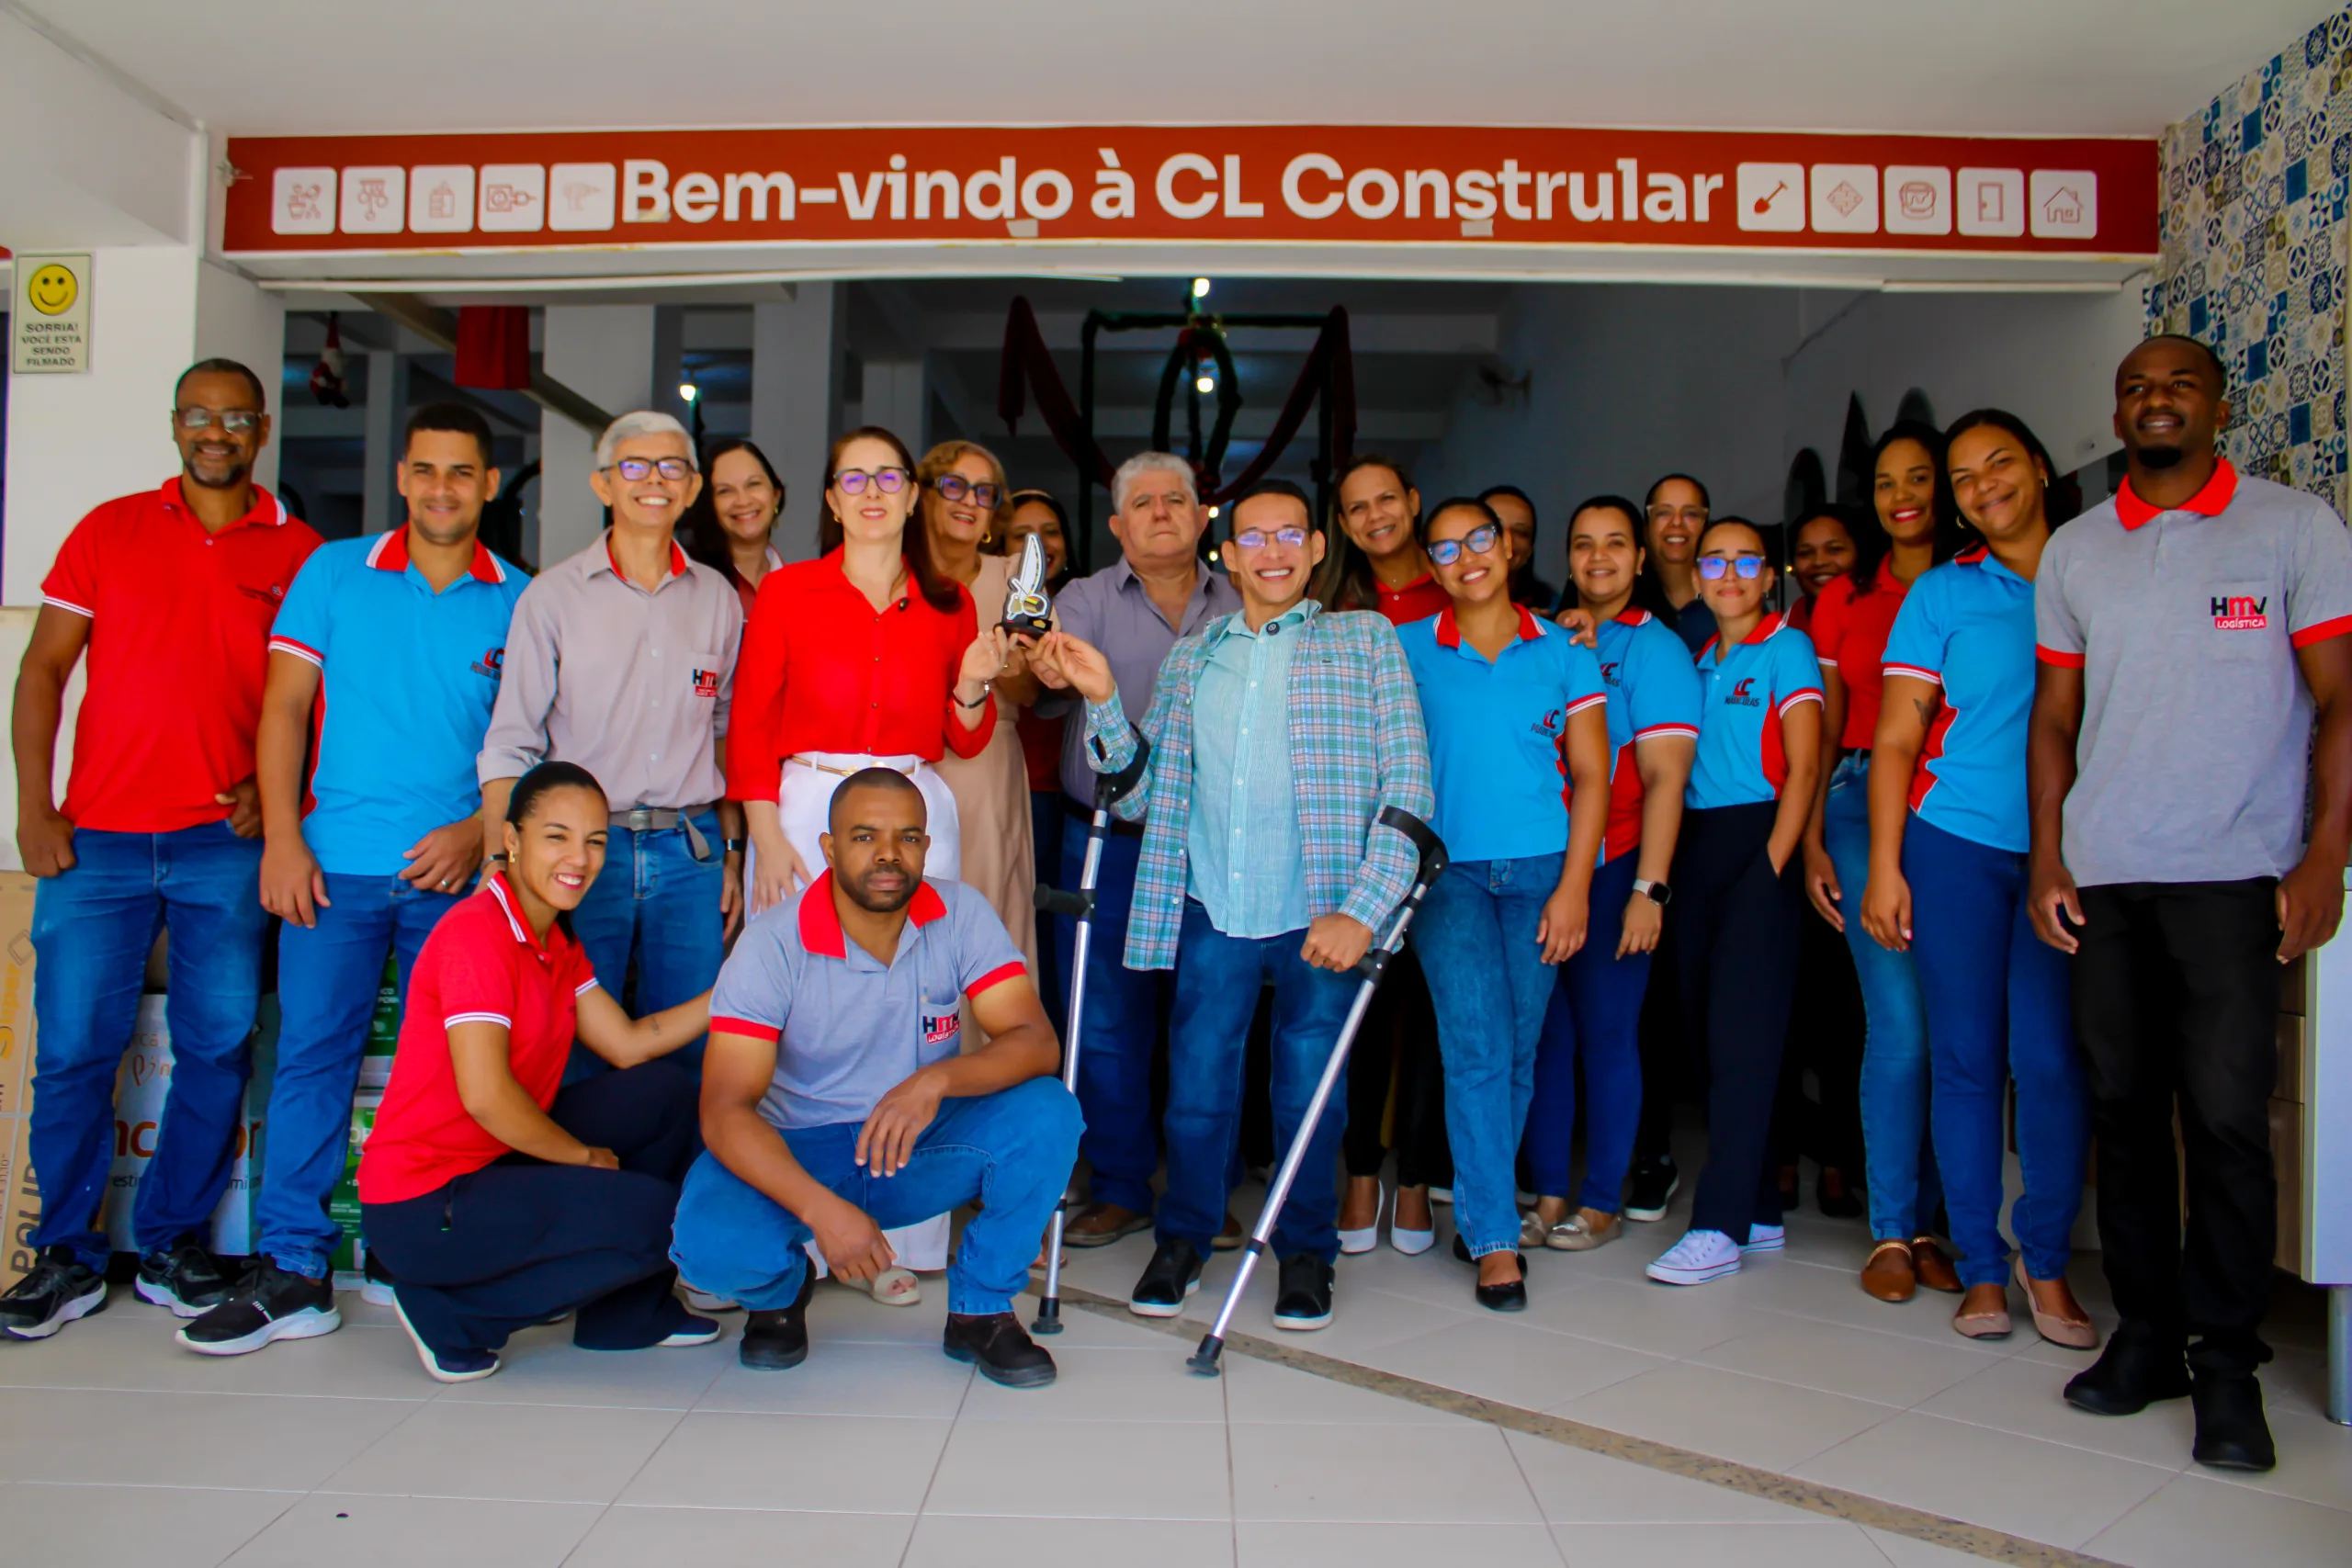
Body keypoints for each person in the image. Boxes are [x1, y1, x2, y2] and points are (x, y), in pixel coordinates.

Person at [2030, 335, 2352, 1472]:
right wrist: (2048, 857)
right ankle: (2147, 1338)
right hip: (2105, 876)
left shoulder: (2292, 528)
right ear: (2116, 412)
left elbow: (2340, 699)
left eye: (2177, 385)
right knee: (2123, 1115)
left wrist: (2322, 858)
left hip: (2233, 873)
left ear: (2218, 405)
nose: (2154, 400)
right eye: (2134, 387)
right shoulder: (2074, 549)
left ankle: (2227, 1366)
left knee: (2222, 1120)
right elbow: (2055, 717)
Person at [1033, 479, 1434, 1334]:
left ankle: (1306, 1252)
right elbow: (1140, 795)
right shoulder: (1195, 655)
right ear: (1229, 554)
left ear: (1317, 549)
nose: (1274, 551)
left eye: (1291, 534)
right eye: (1255, 537)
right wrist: (1101, 695)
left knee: (1309, 1095)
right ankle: (1182, 1238)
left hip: (1322, 911)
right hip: (1213, 905)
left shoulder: (1365, 641)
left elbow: (1409, 787)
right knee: (1198, 1091)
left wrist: (1364, 910)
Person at [177, 404, 528, 1356]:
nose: (443, 489)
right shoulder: (333, 571)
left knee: (450, 1070)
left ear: (489, 484)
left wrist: (476, 832)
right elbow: (284, 710)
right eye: (426, 470)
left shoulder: (520, 600)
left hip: (455, 880)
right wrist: (282, 841)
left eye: (462, 472)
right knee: (311, 1059)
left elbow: (530, 745)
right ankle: (294, 1267)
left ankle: (412, 1252)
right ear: (402, 478)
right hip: (331, 870)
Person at [0, 359, 322, 1342]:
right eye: (198, 416)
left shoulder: (301, 551)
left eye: (235, 418)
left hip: (221, 845)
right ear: (176, 425)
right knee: (72, 1051)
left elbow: (316, 700)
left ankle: (171, 1241)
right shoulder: (109, 529)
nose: (215, 433)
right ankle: (65, 1255)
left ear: (262, 429)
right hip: (94, 840)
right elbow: (43, 669)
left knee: (216, 1048)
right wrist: (34, 807)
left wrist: (276, 796)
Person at [669, 768, 1079, 1387]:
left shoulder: (960, 912)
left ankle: (981, 1310)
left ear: (926, 846)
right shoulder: (771, 943)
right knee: (708, 1245)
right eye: (865, 837)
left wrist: (933, 1082)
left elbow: (1035, 1041)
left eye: (907, 837)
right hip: (800, 1150)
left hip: (914, 1143)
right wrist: (822, 1212)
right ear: (830, 847)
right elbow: (725, 1110)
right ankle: (780, 1295)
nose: (889, 854)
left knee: (1048, 1112)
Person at [726, 425, 1005, 1300]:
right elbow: (750, 719)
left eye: (890, 477)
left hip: (917, 800)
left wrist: (974, 682)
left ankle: (901, 1238)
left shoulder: (948, 601)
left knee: (918, 1006)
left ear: (913, 495)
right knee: (800, 1005)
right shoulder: (790, 590)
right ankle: (804, 1230)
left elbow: (966, 736)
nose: (874, 492)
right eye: (855, 479)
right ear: (831, 499)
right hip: (807, 804)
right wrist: (766, 833)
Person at [357, 763, 718, 1383]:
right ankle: (452, 1313)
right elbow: (486, 1097)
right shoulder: (478, 934)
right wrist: (581, 1158)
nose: (579, 858)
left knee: (661, 1094)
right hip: (426, 1202)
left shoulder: (553, 938)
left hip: (492, 1162)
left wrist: (736, 994)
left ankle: (625, 1315)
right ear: (513, 839)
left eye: (595, 840)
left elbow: (629, 1044)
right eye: (557, 836)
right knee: (667, 1219)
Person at [1866, 409, 2092, 1348]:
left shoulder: (2097, 566)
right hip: (1953, 842)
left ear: (2039, 466)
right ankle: (1982, 1267)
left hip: (2073, 853)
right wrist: (1885, 864)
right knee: (1964, 1060)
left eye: (1997, 463)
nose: (1982, 485)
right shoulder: (1943, 594)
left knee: (2048, 1060)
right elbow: (1895, 738)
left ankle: (2047, 1261)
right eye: (1962, 477)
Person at [479, 412, 745, 1085]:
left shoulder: (717, 599)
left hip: (690, 852)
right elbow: (511, 741)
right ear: (604, 484)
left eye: (672, 468)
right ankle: (576, 1155)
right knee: (566, 1036)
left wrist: (735, 851)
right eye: (634, 466)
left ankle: (678, 1160)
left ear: (691, 489)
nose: (654, 480)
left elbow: (725, 734)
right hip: (581, 851)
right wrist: (500, 861)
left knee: (693, 1044)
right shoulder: (552, 597)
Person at [1398, 499, 1610, 1308]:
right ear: (1432, 564)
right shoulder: (1406, 646)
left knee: (1518, 1048)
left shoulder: (1563, 649)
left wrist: (1576, 887)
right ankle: (1494, 1237)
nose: (1467, 557)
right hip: (1444, 871)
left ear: (1509, 545)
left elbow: (1591, 774)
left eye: (1479, 538)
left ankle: (1480, 1206)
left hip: (1542, 871)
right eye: (1447, 548)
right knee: (1478, 1047)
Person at [1039, 455, 1241, 1249]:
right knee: (1105, 1021)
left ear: (1201, 517)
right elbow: (1049, 681)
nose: (1161, 512)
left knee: (1209, 1022)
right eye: (1143, 503)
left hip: (1215, 844)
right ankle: (1121, 1186)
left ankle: (1201, 1192)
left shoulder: (1243, 598)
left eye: (1176, 499)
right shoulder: (1083, 599)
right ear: (1118, 526)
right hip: (1107, 841)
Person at [1799, 424, 1968, 1300]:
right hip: (1862, 799)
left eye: (1919, 477)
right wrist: (1815, 836)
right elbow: (1827, 724)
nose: (1902, 496)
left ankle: (1941, 1224)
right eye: (1886, 482)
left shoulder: (1982, 581)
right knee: (1900, 1020)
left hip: (1963, 805)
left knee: (1955, 1025)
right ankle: (1894, 1230)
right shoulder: (1846, 597)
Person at [1645, 519, 1822, 1286]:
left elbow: (1806, 766)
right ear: (1697, 576)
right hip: (1696, 850)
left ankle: (1716, 1225)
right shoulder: (1695, 662)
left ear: (1768, 574)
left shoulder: (1788, 648)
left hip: (1759, 844)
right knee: (1708, 1037)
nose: (1728, 573)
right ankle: (1758, 1209)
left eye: (1745, 560)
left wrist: (1773, 864)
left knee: (1744, 1038)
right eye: (1714, 561)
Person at [1524, 496, 1699, 1252]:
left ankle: (1602, 1199)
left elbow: (1665, 779)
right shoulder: (1543, 635)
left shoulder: (1656, 648)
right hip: (1542, 862)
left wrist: (1646, 889)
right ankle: (1548, 1193)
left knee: (1606, 1032)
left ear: (1640, 557)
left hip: (1615, 863)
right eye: (1584, 543)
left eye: (1616, 543)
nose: (1599, 557)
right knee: (1546, 1036)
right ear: (1567, 558)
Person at [1318, 454, 1451, 1254]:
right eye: (1357, 507)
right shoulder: (1334, 605)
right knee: (1364, 1011)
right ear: (1342, 523)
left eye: (1386, 500)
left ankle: (1416, 1181)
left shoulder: (1460, 589)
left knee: (1434, 1014)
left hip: (1453, 833)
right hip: (1364, 837)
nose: (1375, 516)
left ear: (1413, 501)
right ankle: (1361, 1171)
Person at [920, 439, 1042, 974]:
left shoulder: (1016, 577)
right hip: (909, 757)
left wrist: (1003, 666)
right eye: (954, 486)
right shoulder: (894, 573)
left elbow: (1031, 693)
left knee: (987, 908)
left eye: (984, 492)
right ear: (924, 495)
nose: (969, 500)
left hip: (987, 763)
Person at [1008, 490, 1076, 1026]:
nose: (1038, 543)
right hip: (1012, 789)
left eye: (1050, 531)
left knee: (1059, 932)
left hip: (1067, 798)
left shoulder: (1084, 608)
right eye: (1021, 534)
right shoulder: (989, 607)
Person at [680, 436, 786, 621]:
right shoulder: (689, 585)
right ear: (710, 504)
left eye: (753, 484)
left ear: (776, 495)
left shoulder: (799, 586)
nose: (743, 501)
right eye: (725, 491)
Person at [1639, 474, 1718, 655]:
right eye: (1663, 513)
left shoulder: (1730, 593)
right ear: (1646, 529)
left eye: (1691, 514)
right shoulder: (1626, 600)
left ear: (1707, 527)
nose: (1676, 522)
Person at [1477, 483, 1555, 609]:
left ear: (1529, 550)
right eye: (1496, 527)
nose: (1507, 539)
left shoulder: (1551, 607)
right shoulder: (1445, 598)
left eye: (1520, 532)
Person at [1784, 509, 1857, 634]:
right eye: (1806, 553)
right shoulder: (1783, 629)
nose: (1819, 562)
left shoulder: (1887, 621)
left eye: (1835, 550)